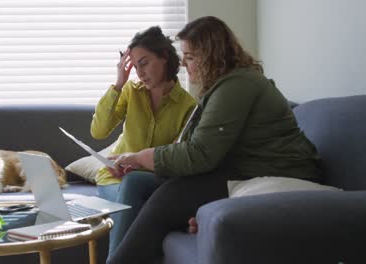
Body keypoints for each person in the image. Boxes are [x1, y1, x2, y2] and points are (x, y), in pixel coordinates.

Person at [106, 16, 322, 264]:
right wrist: (141, 163)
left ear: (210, 55)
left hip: (278, 169)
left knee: (169, 196)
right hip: (239, 165)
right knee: (137, 182)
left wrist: (143, 157)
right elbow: (200, 146)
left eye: (190, 57)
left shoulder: (238, 85)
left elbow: (199, 154)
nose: (186, 66)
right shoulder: (223, 87)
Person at [90, 26, 197, 254]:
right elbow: (98, 131)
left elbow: (179, 158)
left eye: (144, 62)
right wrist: (118, 84)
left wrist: (140, 165)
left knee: (137, 199)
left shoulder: (188, 106)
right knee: (131, 203)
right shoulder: (131, 91)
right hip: (114, 179)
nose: (140, 72)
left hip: (152, 182)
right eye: (135, 65)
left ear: (164, 56)